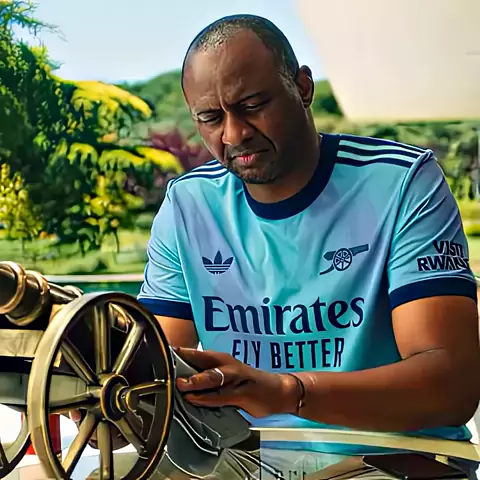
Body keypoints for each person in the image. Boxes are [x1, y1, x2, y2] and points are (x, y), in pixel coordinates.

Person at [137, 13, 480, 474]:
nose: (234, 134)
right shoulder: (188, 204)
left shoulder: (402, 183)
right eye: (211, 118)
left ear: (302, 87)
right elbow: (159, 376)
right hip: (247, 457)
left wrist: (287, 392)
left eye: (253, 105)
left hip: (393, 456)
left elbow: (452, 386)